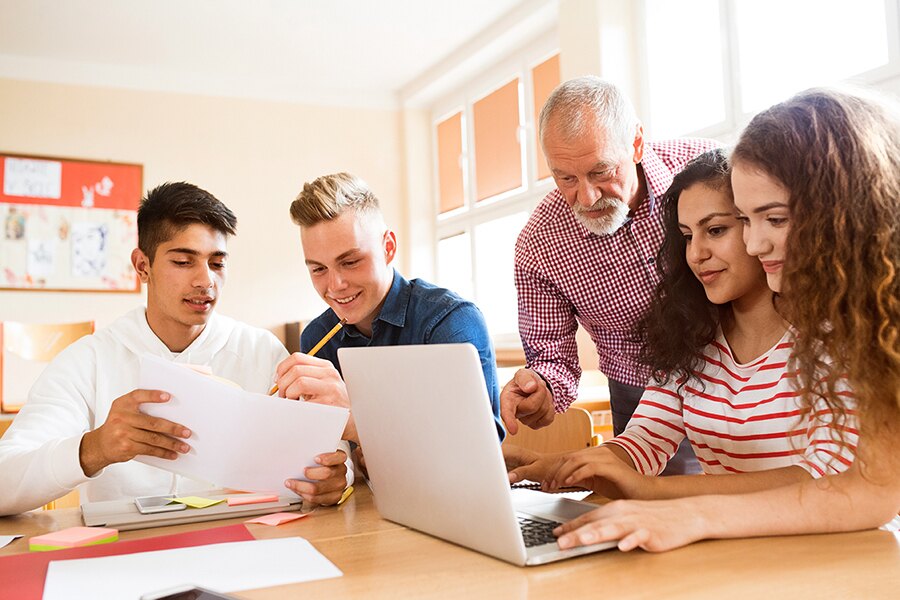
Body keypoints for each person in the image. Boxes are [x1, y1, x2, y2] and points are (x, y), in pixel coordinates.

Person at [550, 87, 900, 552]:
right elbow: (869, 489)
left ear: (843, 213)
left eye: (774, 218)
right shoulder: (862, 315)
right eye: (749, 222)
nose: (755, 245)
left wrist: (669, 502)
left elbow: (851, 487)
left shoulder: (858, 325)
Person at [505, 149, 855, 499]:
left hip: (831, 547)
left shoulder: (835, 336)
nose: (696, 254)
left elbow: (828, 473)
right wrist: (546, 466)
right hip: (735, 542)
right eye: (687, 236)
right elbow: (644, 441)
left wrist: (653, 489)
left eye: (715, 230)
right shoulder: (691, 337)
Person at [0, 182, 350, 516]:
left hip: (242, 543)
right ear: (143, 266)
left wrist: (336, 477)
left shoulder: (261, 351)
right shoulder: (88, 360)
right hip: (127, 555)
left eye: (217, 263)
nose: (205, 281)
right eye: (183, 262)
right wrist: (95, 448)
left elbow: (334, 460)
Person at [503, 76, 717, 474]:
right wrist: (542, 390)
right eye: (565, 178)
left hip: (737, 382)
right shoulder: (538, 244)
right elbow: (550, 354)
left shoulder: (710, 176)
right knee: (650, 515)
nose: (586, 197)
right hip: (640, 398)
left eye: (601, 172)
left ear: (636, 143)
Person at [273, 172, 504, 453]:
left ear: (388, 247)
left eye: (350, 261)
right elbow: (337, 457)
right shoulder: (317, 338)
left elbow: (477, 448)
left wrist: (357, 422)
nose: (335, 286)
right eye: (318, 269)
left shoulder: (450, 322)